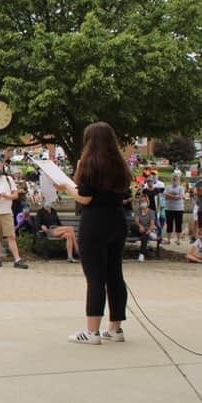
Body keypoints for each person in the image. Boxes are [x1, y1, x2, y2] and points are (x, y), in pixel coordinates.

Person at [54, 122, 132, 345]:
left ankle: (92, 331)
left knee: (95, 277)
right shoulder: (120, 164)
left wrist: (67, 186)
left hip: (95, 222)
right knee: (115, 274)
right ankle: (115, 329)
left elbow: (85, 197)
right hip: (117, 220)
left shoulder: (89, 163)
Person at [35, 197, 78, 263]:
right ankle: (77, 249)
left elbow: (58, 223)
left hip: (57, 229)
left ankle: (70, 257)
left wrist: (63, 229)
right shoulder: (40, 212)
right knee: (71, 228)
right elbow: (37, 223)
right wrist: (41, 226)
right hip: (50, 230)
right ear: (43, 203)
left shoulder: (53, 211)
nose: (48, 203)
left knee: (68, 235)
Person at [131, 196, 157, 262]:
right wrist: (140, 226)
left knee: (144, 235)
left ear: (148, 202)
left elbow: (152, 224)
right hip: (138, 229)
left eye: (144, 201)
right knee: (133, 226)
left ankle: (141, 254)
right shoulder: (138, 211)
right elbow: (136, 221)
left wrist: (149, 230)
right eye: (141, 201)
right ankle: (149, 233)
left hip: (146, 230)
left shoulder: (151, 212)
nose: (143, 203)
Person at [164, 174, 186, 245]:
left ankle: (178, 240)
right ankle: (168, 239)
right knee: (169, 224)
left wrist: (170, 195)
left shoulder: (181, 188)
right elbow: (165, 196)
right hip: (169, 209)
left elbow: (180, 197)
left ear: (179, 181)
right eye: (174, 179)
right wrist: (175, 196)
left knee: (178, 224)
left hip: (179, 209)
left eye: (176, 180)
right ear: (172, 180)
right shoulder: (167, 187)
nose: (175, 181)